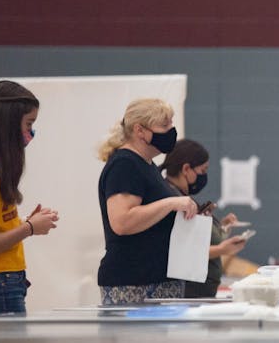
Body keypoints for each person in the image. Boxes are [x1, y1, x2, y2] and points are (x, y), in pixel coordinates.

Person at [0, 80, 59, 317]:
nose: (31, 133)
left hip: (0, 282)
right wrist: (29, 228)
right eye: (28, 124)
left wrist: (21, 224)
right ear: (6, 124)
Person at [96, 98, 198, 305]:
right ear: (139, 131)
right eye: (164, 125)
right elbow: (122, 222)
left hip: (158, 280)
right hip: (134, 282)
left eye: (171, 123)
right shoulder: (125, 165)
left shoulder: (147, 165)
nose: (171, 130)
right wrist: (171, 204)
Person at [161, 139, 247, 297]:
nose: (204, 176)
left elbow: (197, 238)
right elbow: (184, 251)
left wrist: (222, 227)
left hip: (200, 287)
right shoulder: (176, 201)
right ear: (186, 169)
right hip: (190, 289)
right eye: (203, 170)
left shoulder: (182, 198)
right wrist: (222, 250)